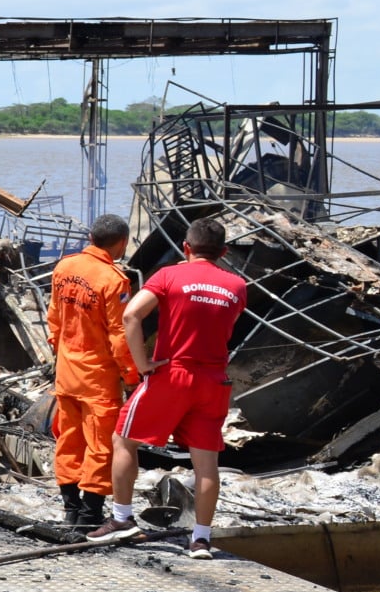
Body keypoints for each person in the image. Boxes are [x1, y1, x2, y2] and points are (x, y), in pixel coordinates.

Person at [89, 215, 250, 559]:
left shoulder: (168, 275)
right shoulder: (237, 286)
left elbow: (131, 315)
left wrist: (142, 363)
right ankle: (201, 540)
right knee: (206, 463)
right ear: (223, 252)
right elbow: (228, 323)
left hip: (172, 374)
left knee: (123, 440)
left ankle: (121, 518)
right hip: (214, 380)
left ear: (186, 247)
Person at [45, 214, 140, 528]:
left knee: (69, 441)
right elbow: (120, 336)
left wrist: (61, 353)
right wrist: (131, 377)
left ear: (91, 238)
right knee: (100, 446)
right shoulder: (114, 280)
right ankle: (90, 516)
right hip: (97, 379)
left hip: (66, 373)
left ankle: (71, 511)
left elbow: (54, 319)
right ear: (122, 243)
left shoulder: (64, 267)